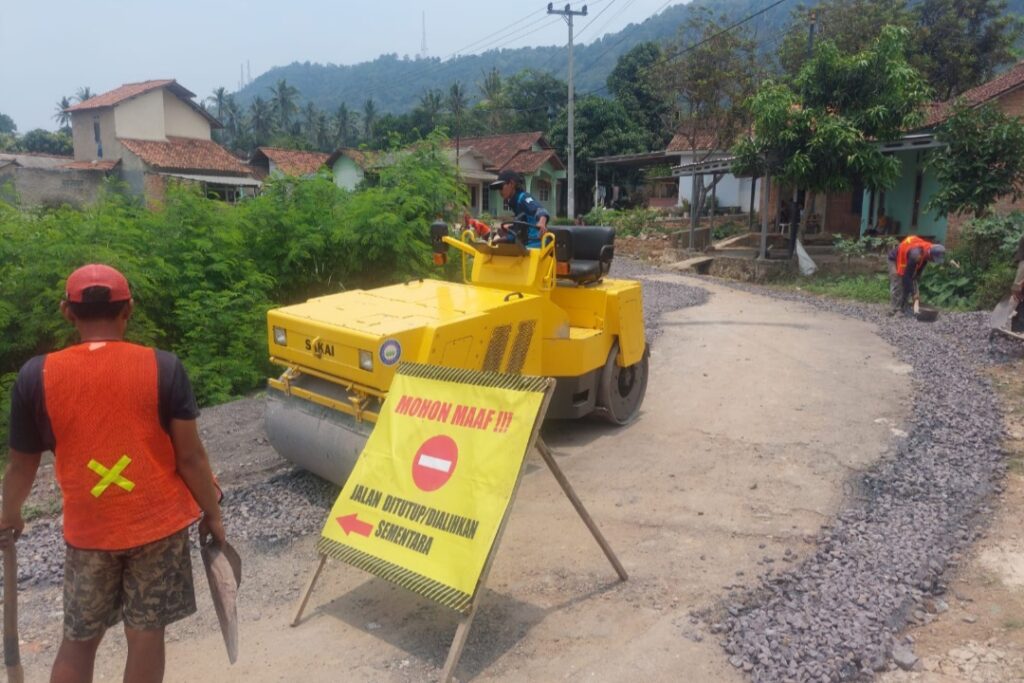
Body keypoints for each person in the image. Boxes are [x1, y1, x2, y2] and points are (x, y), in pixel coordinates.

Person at [1, 264, 225, 683]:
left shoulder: (36, 376)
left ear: (67, 312)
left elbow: (20, 464)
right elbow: (191, 458)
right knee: (145, 635)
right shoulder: (163, 367)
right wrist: (212, 513)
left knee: (80, 639)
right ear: (130, 310)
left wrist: (10, 513)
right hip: (156, 527)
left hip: (89, 533)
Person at [490, 170, 550, 248]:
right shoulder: (514, 203)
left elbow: (540, 210)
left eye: (501, 187)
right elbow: (517, 232)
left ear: (511, 184)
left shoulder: (523, 197)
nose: (500, 191)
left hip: (536, 245)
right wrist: (498, 240)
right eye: (498, 189)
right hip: (525, 246)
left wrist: (542, 222)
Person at [888, 236, 946, 315]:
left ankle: (904, 307)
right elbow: (906, 277)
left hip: (908, 260)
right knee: (898, 282)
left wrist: (915, 283)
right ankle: (895, 309)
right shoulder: (915, 255)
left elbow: (918, 270)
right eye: (933, 259)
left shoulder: (926, 250)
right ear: (930, 254)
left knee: (910, 283)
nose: (933, 261)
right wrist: (913, 292)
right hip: (895, 260)